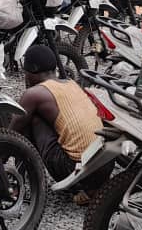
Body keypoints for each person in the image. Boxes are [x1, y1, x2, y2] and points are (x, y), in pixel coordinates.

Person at [9, 45, 111, 205]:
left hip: (75, 170)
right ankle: (91, 189)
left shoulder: (35, 94)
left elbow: (11, 135)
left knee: (31, 120)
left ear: (32, 70)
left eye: (25, 72)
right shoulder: (71, 83)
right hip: (105, 166)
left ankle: (15, 182)